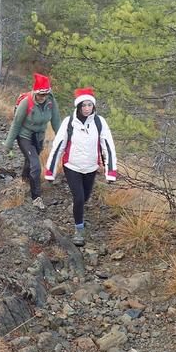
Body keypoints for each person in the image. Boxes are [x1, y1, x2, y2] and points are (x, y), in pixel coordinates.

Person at [44, 87, 117, 246]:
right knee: (78, 197)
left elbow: (108, 146)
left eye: (89, 105)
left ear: (93, 106)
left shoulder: (99, 122)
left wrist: (110, 170)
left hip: (91, 167)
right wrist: (51, 170)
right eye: (83, 105)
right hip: (72, 166)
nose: (86, 108)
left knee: (85, 198)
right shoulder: (69, 122)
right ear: (78, 106)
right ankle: (79, 229)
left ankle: (78, 209)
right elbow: (58, 146)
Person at [3, 73, 61, 210]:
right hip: (24, 136)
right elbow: (16, 123)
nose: (43, 97)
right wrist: (8, 144)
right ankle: (36, 198)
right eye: (41, 94)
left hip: (39, 136)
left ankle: (25, 179)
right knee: (36, 164)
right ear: (35, 92)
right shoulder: (26, 103)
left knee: (30, 159)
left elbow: (56, 121)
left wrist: (62, 139)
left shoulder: (51, 102)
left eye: (46, 94)